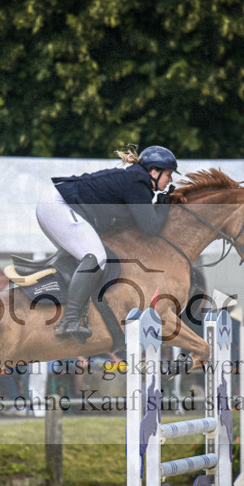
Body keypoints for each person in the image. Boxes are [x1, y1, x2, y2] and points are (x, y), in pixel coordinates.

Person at [35, 144, 177, 341]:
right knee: (96, 258)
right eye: (168, 174)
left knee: (88, 256)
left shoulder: (136, 180)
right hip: (58, 205)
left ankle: (78, 311)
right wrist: (164, 204)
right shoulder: (138, 182)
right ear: (154, 171)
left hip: (56, 204)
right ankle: (69, 320)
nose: (171, 180)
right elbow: (151, 227)